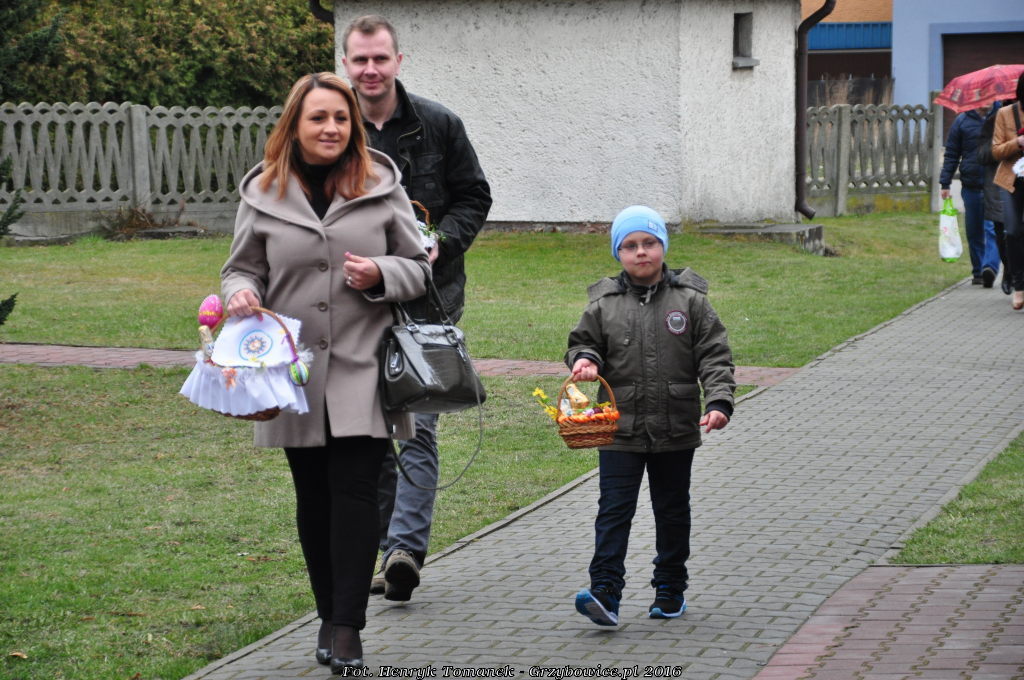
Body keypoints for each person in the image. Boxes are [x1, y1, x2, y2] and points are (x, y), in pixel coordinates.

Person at [221, 72, 430, 674]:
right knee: (314, 499)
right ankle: (327, 613)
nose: (332, 128)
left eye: (341, 118)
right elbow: (241, 269)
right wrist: (239, 294)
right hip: (292, 374)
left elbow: (419, 267)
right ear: (295, 125)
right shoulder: (263, 192)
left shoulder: (380, 183)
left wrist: (382, 273)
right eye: (319, 117)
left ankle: (347, 626)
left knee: (357, 492)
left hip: (364, 368)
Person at [341, 14, 492, 603]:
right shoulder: (334, 128)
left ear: (398, 61)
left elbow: (474, 195)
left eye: (380, 58)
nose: (370, 70)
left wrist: (442, 243)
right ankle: (383, 547)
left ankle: (403, 550)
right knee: (371, 430)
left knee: (417, 425)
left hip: (430, 299)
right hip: (357, 303)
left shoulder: (439, 124)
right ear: (346, 64)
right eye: (360, 60)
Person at [565, 205, 736, 626]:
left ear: (663, 247)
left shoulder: (691, 301)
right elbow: (583, 343)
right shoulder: (604, 303)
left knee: (672, 510)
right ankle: (605, 591)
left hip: (676, 426)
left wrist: (719, 402)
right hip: (618, 428)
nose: (640, 252)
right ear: (618, 253)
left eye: (649, 243)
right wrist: (585, 360)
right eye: (630, 246)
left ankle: (670, 588)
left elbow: (715, 356)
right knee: (613, 510)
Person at [940, 107, 1000, 287]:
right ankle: (978, 271)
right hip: (971, 184)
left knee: (992, 228)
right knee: (974, 231)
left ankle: (990, 267)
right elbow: (952, 153)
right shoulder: (962, 121)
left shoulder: (1002, 115)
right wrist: (945, 183)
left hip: (995, 184)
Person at [977, 100, 1020, 296]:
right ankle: (1009, 270)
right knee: (1003, 235)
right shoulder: (993, 122)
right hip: (999, 187)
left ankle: (1017, 274)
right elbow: (983, 155)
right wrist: (1011, 144)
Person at [992, 73, 1024, 310]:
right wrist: (1017, 143)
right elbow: (995, 151)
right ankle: (1019, 286)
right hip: (1011, 180)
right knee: (1012, 231)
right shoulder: (1005, 113)